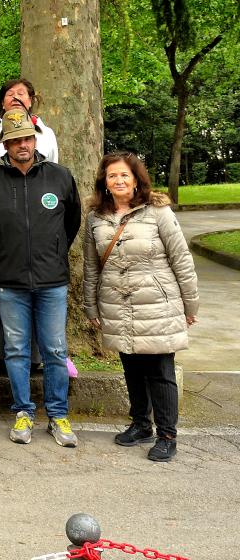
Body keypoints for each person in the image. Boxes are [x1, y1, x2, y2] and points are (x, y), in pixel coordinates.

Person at [0, 109, 82, 447]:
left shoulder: (60, 177)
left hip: (52, 281)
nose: (22, 145)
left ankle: (58, 415)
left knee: (55, 349)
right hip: (8, 282)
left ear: (35, 140)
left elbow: (72, 222)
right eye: (15, 140)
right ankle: (23, 411)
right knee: (16, 350)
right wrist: (2, 254)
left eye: (27, 138)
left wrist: (52, 252)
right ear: (4, 144)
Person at [83, 152, 199, 463]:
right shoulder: (95, 217)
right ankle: (140, 424)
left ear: (136, 179)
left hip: (157, 303)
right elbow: (91, 266)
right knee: (131, 367)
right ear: (104, 182)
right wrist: (91, 306)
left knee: (160, 371)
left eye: (124, 175)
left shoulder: (158, 211)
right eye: (112, 176)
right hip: (116, 302)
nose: (118, 180)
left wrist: (190, 303)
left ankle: (167, 435)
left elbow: (181, 259)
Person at [0, 78, 75, 380]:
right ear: (1, 101)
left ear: (31, 100)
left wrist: (54, 241)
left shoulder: (46, 133)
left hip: (41, 239)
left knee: (44, 297)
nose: (16, 97)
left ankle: (50, 355)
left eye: (22, 94)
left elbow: (61, 195)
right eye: (10, 94)